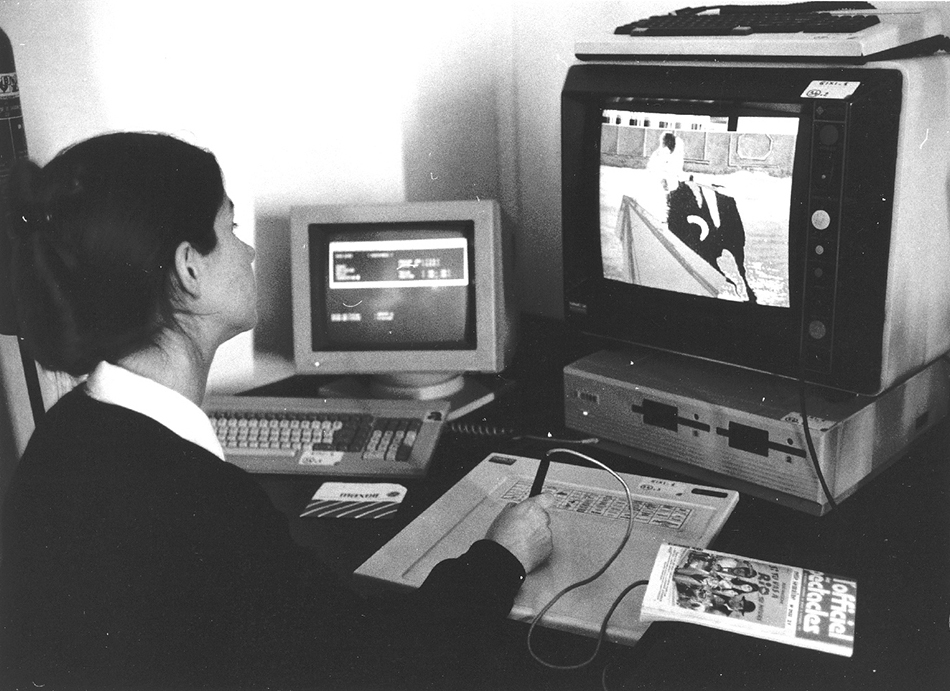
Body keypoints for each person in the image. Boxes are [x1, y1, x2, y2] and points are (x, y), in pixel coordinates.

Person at [0, 132, 556, 690]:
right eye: (231, 228)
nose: (248, 252)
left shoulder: (62, 434)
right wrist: (502, 557)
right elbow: (385, 664)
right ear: (189, 269)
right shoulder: (205, 504)